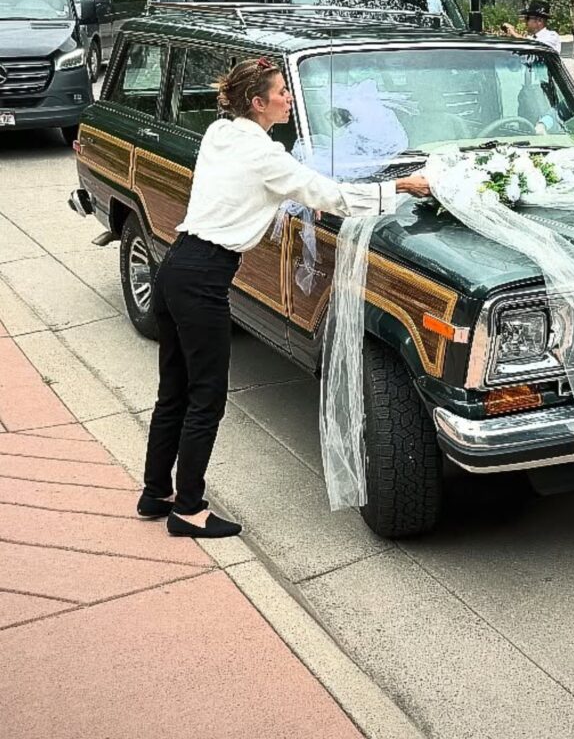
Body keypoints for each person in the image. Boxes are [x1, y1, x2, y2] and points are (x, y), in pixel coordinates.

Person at [138, 57, 432, 539]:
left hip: (176, 265)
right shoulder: (266, 156)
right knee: (206, 396)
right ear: (259, 103)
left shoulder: (221, 132)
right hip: (204, 278)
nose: (289, 98)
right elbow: (328, 195)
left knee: (174, 389)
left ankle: (155, 493)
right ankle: (187, 508)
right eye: (281, 92)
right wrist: (400, 185)